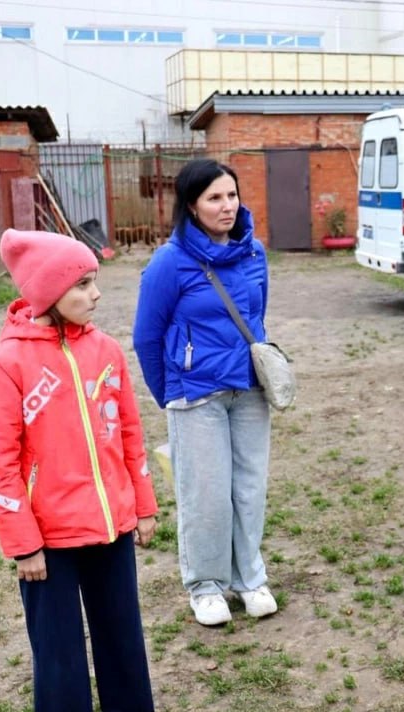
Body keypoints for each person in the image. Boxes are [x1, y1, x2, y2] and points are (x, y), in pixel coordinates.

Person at [0, 229, 159, 712]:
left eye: (94, 280)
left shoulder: (107, 351)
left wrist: (143, 505)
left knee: (123, 643)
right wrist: (23, 544)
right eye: (81, 284)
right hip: (47, 543)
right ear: (47, 291)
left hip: (111, 527)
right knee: (60, 661)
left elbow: (130, 433)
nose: (95, 294)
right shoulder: (7, 363)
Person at [132, 158, 278, 627]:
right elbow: (146, 337)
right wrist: (171, 394)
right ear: (192, 206)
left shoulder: (253, 253)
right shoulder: (169, 262)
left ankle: (249, 579)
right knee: (206, 495)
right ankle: (206, 586)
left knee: (248, 490)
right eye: (214, 197)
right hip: (195, 395)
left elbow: (256, 316)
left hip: (249, 391)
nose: (227, 205)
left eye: (232, 195)